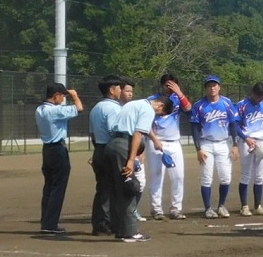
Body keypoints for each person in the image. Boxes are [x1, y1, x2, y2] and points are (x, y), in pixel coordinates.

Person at [105, 94, 174, 242]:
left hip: (112, 144)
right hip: (124, 145)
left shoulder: (134, 104)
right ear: (160, 106)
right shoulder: (148, 110)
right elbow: (137, 133)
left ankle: (118, 228)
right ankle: (129, 232)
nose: (158, 115)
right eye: (160, 113)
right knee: (129, 188)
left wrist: (155, 140)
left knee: (115, 190)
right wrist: (131, 159)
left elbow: (143, 127)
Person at [34, 82, 83, 234]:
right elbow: (79, 108)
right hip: (57, 149)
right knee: (58, 188)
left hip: (47, 149)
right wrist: (74, 95)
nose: (63, 99)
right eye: (61, 96)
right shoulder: (55, 111)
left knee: (49, 187)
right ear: (55, 96)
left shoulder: (39, 109)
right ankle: (50, 224)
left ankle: (46, 220)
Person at [191, 75, 239, 219]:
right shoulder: (199, 105)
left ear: (219, 87)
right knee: (206, 178)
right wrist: (198, 148)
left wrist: (235, 144)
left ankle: (221, 206)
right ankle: (208, 208)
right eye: (209, 85)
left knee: (226, 177)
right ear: (206, 88)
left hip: (224, 143)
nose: (212, 88)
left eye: (214, 85)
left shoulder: (227, 103)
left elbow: (233, 124)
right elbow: (194, 128)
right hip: (206, 143)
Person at [146, 72, 192, 221]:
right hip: (156, 142)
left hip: (174, 142)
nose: (169, 88)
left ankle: (176, 208)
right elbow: (145, 122)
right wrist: (154, 139)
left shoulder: (178, 99)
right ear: (161, 85)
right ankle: (156, 209)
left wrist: (179, 92)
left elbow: (189, 109)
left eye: (172, 84)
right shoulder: (152, 101)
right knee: (157, 175)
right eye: (167, 85)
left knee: (178, 176)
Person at [89, 75, 123, 235]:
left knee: (102, 188)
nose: (121, 90)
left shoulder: (96, 108)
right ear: (112, 90)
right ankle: (108, 224)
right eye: (119, 87)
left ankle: (99, 224)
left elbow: (92, 134)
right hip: (110, 150)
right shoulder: (114, 108)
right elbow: (114, 130)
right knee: (113, 189)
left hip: (99, 149)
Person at [235, 82, 263, 217]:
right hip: (247, 141)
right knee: (246, 174)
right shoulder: (242, 105)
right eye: (259, 96)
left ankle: (258, 206)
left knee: (259, 176)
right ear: (253, 93)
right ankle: (244, 207)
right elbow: (235, 125)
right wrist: (245, 138)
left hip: (261, 141)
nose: (261, 99)